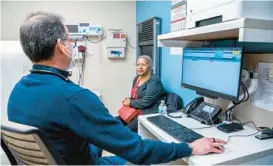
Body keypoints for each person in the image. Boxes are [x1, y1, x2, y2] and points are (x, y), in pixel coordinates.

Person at [8, 11, 226, 165]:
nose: (72, 46)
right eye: (69, 41)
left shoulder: (17, 91)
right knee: (138, 158)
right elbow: (139, 151)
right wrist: (189, 148)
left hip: (65, 158)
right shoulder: (74, 98)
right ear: (61, 46)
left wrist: (108, 122)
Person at [117, 55, 166, 132]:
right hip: (134, 110)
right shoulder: (137, 78)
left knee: (126, 131)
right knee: (114, 122)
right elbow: (135, 96)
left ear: (150, 67)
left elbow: (146, 102)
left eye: (143, 65)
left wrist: (130, 103)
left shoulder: (154, 81)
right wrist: (129, 99)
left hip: (147, 112)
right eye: (138, 65)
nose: (140, 67)